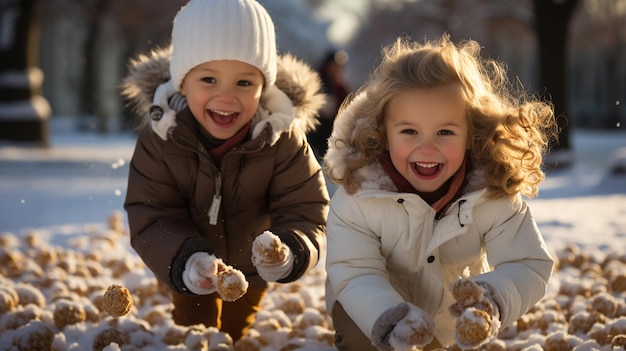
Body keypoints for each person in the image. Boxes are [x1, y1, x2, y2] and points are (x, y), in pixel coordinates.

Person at [323, 34, 557, 351]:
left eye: (445, 132)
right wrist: (390, 317)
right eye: (409, 131)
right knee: (363, 338)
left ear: (472, 133)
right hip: (371, 311)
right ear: (382, 132)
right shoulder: (360, 194)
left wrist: (489, 297)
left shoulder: (490, 192)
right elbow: (354, 271)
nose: (427, 147)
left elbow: (528, 263)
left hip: (449, 318)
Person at [120, 0, 329, 342]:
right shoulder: (163, 138)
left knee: (233, 334)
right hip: (188, 262)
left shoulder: (281, 137)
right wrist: (186, 259)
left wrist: (290, 250)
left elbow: (306, 207)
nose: (226, 96)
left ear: (265, 86)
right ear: (183, 83)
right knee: (197, 332)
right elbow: (151, 213)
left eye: (244, 83)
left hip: (252, 267)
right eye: (209, 79)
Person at [307, 50, 351, 159]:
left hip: (325, 135)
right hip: (310, 128)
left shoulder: (340, 89)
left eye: (339, 66)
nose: (336, 69)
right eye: (334, 65)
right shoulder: (315, 79)